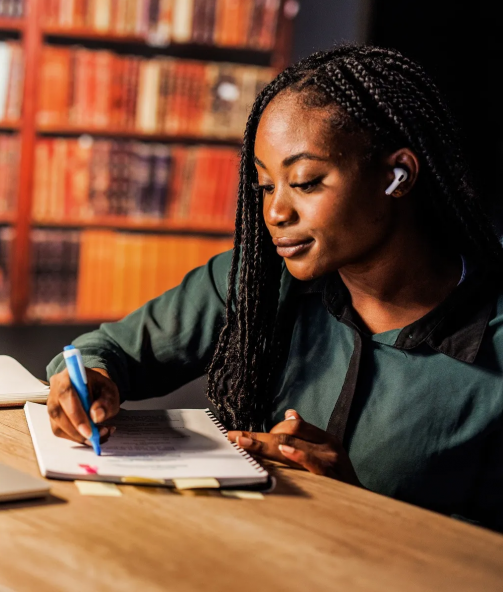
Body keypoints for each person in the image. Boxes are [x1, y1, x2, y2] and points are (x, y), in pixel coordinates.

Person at [45, 45, 503, 529]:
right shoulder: (257, 282)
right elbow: (110, 349)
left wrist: (356, 506)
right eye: (265, 186)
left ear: (398, 175)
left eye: (305, 182)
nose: (275, 212)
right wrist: (87, 379)